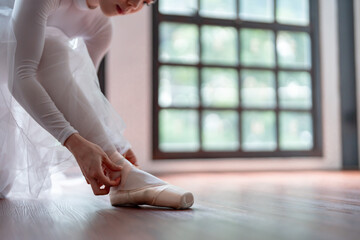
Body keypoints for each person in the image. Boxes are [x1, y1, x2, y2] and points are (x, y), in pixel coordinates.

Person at [0, 0, 194, 209]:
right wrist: (74, 143)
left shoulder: (101, 29)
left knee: (2, 186)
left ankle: (120, 168)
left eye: (146, 2)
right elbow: (20, 78)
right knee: (52, 48)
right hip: (12, 64)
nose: (133, 4)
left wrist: (117, 144)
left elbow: (84, 93)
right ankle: (123, 173)